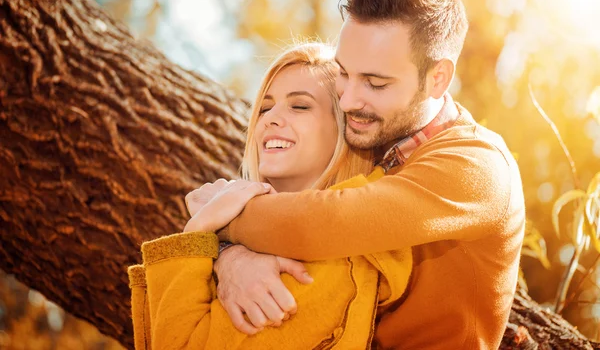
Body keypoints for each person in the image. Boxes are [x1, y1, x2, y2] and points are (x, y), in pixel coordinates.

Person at [210, 0, 526, 349]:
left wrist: (219, 216)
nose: (348, 99)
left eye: (375, 83)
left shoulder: (475, 164)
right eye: (344, 73)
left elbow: (325, 222)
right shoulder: (371, 138)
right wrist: (230, 257)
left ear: (437, 78)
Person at [127, 42, 413, 349]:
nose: (270, 119)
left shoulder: (333, 262)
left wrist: (199, 229)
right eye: (264, 107)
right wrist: (226, 252)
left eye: (300, 106)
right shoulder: (261, 248)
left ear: (347, 131)